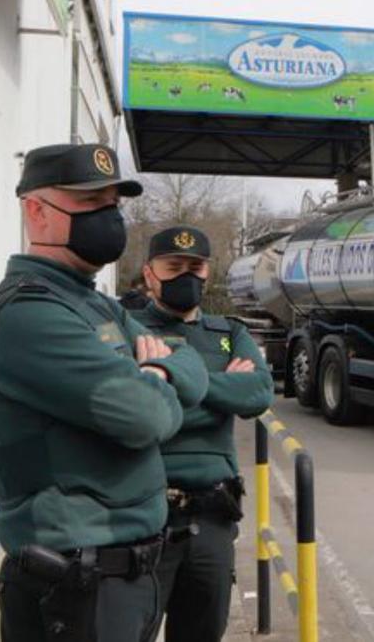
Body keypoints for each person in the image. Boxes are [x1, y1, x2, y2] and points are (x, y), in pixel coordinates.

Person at [0, 143, 208, 641]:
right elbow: (145, 417)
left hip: (123, 575)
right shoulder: (30, 314)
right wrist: (154, 375)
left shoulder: (96, 305)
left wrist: (161, 372)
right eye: (90, 204)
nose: (108, 217)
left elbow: (192, 367)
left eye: (113, 204)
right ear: (36, 212)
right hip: (76, 580)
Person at [133, 225, 274, 642]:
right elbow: (136, 410)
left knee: (203, 631)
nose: (185, 276)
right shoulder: (128, 328)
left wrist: (174, 381)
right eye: (173, 266)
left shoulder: (229, 334)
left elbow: (257, 395)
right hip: (143, 516)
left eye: (195, 266)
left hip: (212, 514)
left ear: (208, 272)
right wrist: (218, 389)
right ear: (149, 273)